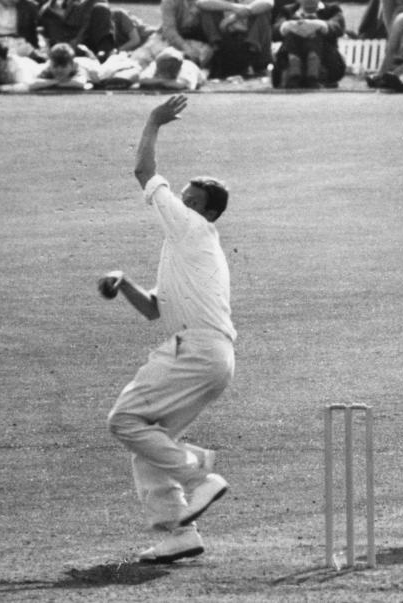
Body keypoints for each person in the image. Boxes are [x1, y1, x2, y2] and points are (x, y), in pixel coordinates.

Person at [99, 94, 235, 564]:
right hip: (206, 353)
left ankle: (199, 474)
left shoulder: (193, 228)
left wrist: (153, 122)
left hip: (196, 350)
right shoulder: (187, 245)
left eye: (192, 201)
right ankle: (179, 533)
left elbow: (143, 172)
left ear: (209, 213)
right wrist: (124, 284)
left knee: (124, 421)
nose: (181, 203)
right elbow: (154, 309)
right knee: (150, 444)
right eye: (184, 199)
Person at [271, 0, 346, 88]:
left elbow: (338, 26)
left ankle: (312, 74)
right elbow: (274, 32)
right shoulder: (287, 10)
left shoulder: (332, 9)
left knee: (314, 31)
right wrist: (289, 26)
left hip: (325, 61)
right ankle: (295, 72)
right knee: (292, 31)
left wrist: (318, 25)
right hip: (290, 60)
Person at [196, 0, 273, 77]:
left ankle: (254, 57)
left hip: (250, 36)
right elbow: (201, 2)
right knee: (206, 10)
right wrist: (233, 7)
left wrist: (236, 16)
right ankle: (216, 51)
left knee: (264, 13)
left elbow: (268, 3)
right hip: (224, 35)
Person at [38, 0, 115, 59]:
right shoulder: (48, 10)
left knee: (101, 9)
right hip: (62, 43)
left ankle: (104, 53)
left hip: (83, 39)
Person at [29, 41, 101, 89]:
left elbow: (79, 82)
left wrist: (49, 83)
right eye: (55, 66)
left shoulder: (77, 66)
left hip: (89, 64)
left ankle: (89, 53)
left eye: (63, 66)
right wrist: (57, 81)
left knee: (96, 74)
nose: (59, 70)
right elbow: (32, 84)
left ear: (71, 65)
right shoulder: (48, 67)